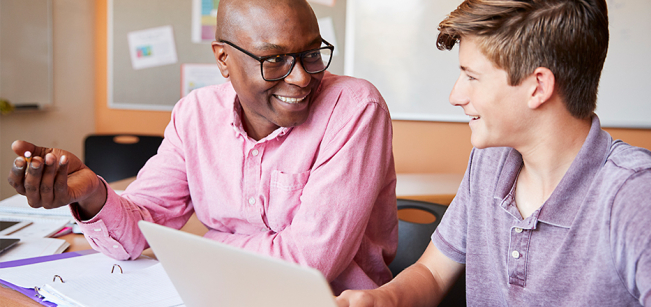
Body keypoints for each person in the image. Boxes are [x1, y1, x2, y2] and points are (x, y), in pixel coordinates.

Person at [6, 0, 397, 295]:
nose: (300, 77)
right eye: (275, 59)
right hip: (217, 293)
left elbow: (308, 264)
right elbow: (141, 227)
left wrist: (206, 242)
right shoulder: (195, 114)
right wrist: (94, 194)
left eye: (311, 54)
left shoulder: (355, 107)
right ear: (223, 59)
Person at [337, 0, 651, 306]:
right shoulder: (491, 161)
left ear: (538, 86)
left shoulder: (635, 194)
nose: (455, 95)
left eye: (472, 77)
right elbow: (433, 274)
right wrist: (382, 300)